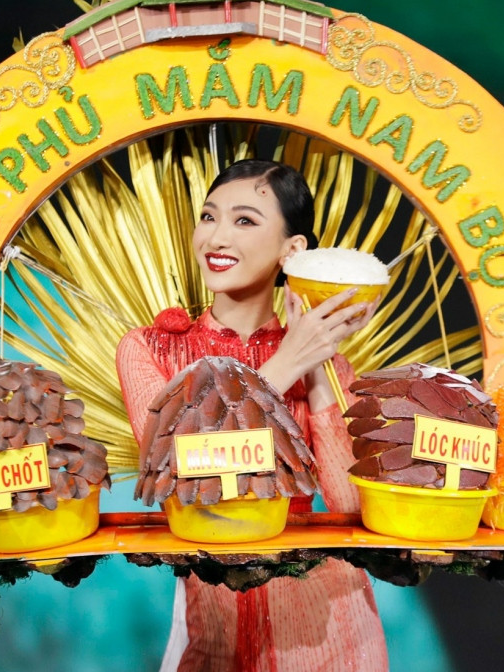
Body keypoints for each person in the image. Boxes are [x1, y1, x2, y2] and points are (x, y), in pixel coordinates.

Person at [116, 159, 389, 671]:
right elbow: (175, 465)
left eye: (244, 221)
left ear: (293, 250)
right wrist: (283, 368)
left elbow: (351, 505)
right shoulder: (151, 350)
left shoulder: (326, 363)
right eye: (208, 216)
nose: (216, 237)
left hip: (329, 637)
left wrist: (317, 367)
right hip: (215, 640)